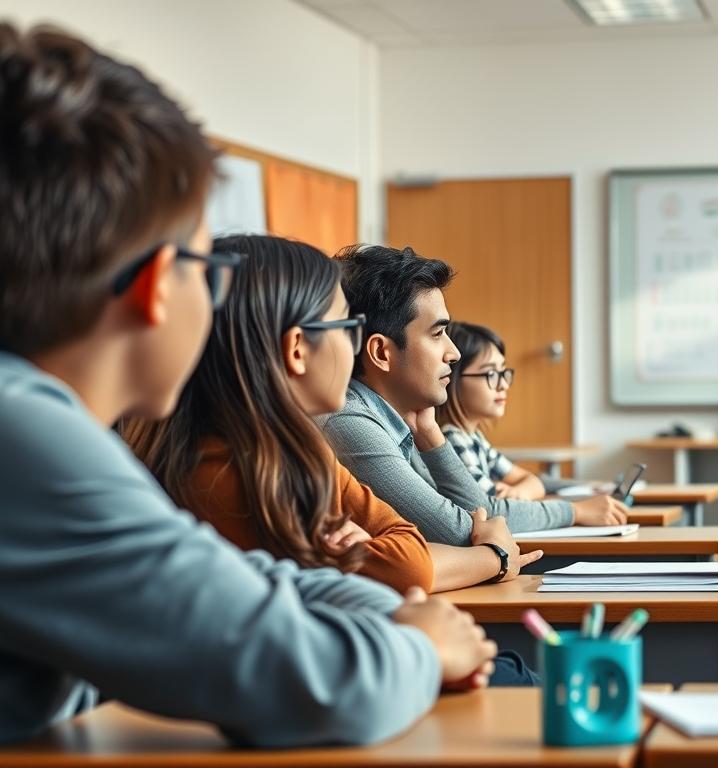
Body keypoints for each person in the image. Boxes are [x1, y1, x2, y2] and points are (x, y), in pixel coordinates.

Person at [0, 24, 494, 746]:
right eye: (208, 270)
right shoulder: (25, 436)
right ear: (159, 287)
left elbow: (226, 580)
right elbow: (313, 684)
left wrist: (390, 612)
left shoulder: (47, 421)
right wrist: (423, 645)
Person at [122, 235, 542, 597]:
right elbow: (410, 562)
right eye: (345, 328)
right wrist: (496, 556)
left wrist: (371, 552)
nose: (353, 348)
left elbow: (405, 543)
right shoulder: (230, 470)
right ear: (297, 349)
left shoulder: (299, 451)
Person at [319, 244, 628, 545]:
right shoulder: (350, 422)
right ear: (381, 353)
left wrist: (430, 434)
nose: (453, 353)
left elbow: (474, 512)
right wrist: (568, 514)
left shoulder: (400, 420)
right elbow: (461, 529)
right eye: (437, 334)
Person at [437, 321, 547, 501]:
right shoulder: (452, 440)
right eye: (490, 374)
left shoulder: (474, 438)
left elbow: (534, 482)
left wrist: (517, 493)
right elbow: (491, 505)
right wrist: (515, 495)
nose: (503, 385)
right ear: (452, 378)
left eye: (502, 372)